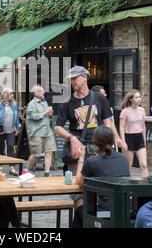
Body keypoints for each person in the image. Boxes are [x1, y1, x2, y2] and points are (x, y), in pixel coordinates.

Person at [54, 66, 113, 209]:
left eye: (76, 78)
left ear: (85, 77)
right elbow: (57, 127)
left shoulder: (99, 98)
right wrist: (72, 138)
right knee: (78, 193)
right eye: (71, 79)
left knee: (102, 189)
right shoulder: (67, 101)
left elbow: (107, 123)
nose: (73, 81)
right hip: (77, 152)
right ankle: (81, 221)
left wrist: (109, 145)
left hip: (98, 151)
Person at [72, 126, 130, 228]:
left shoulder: (92, 162)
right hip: (125, 209)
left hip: (105, 213)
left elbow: (79, 183)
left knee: (80, 211)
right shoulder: (124, 159)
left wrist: (81, 158)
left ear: (95, 142)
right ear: (112, 141)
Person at [26, 85, 56, 177]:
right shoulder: (32, 104)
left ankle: (47, 172)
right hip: (36, 132)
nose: (43, 93)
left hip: (48, 131)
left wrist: (50, 114)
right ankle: (26, 170)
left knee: (49, 151)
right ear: (35, 93)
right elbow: (34, 116)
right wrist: (46, 112)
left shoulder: (44, 102)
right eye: (40, 91)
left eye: (43, 91)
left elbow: (47, 117)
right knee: (36, 153)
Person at [119, 89, 149, 178]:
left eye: (139, 97)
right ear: (131, 99)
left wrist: (144, 139)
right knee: (129, 165)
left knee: (144, 164)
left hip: (139, 137)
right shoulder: (125, 111)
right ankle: (126, 185)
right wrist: (123, 141)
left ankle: (146, 184)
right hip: (129, 137)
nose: (139, 99)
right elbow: (121, 127)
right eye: (136, 97)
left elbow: (143, 126)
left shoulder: (142, 110)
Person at [0, 87, 20, 176]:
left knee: (11, 147)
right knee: (1, 147)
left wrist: (17, 128)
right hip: (0, 128)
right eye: (11, 93)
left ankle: (12, 167)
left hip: (11, 129)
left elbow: (16, 116)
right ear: (6, 94)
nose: (13, 95)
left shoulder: (14, 104)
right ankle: (0, 167)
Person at [91, 85, 125, 151]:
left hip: (104, 137)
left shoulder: (105, 106)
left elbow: (110, 122)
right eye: (103, 93)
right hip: (92, 138)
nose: (105, 95)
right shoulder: (89, 106)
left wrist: (117, 138)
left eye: (105, 93)